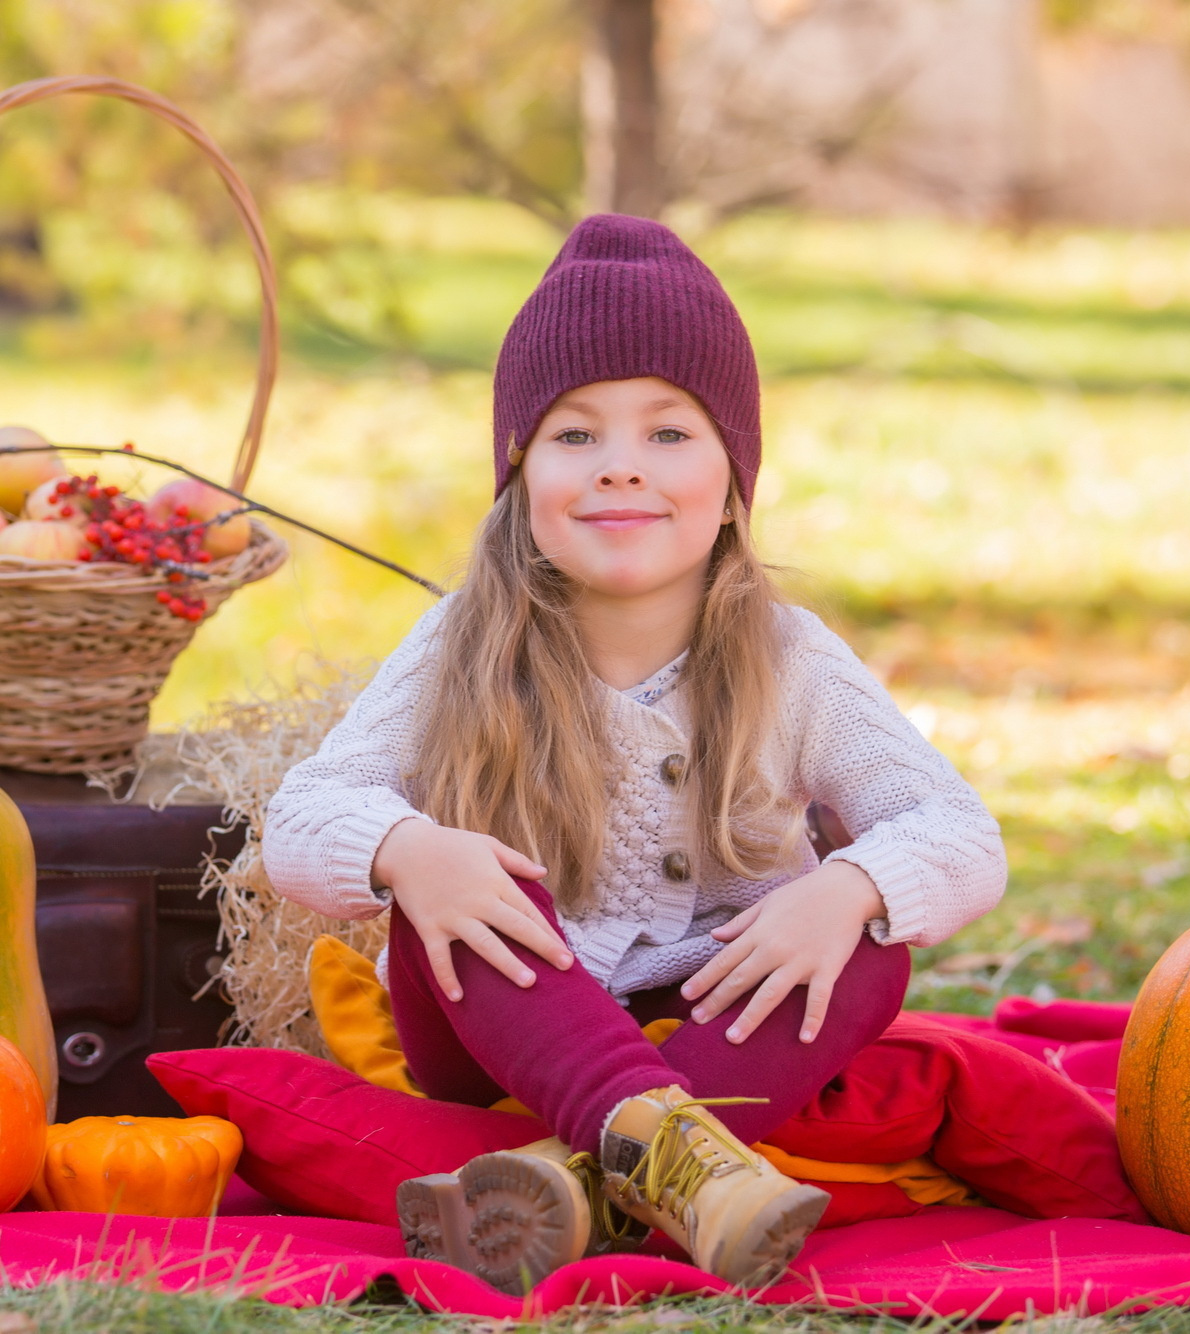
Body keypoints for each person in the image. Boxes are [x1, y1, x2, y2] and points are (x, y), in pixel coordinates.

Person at [263, 214, 1005, 1293]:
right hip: (499, 1020)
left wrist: (847, 885)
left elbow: (959, 834)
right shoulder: (465, 639)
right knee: (458, 902)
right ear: (518, 469)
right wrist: (407, 850)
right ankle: (677, 1166)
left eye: (668, 433)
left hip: (711, 1014)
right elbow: (300, 814)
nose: (621, 470)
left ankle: (565, 1182)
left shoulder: (789, 658)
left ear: (730, 471)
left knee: (869, 942)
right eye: (574, 435)